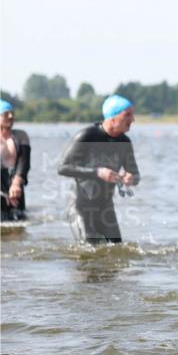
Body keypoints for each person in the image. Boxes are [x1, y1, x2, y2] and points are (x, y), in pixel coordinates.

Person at [58, 95, 141, 244]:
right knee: (89, 250)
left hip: (106, 209)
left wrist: (131, 177)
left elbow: (135, 174)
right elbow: (63, 168)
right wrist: (97, 172)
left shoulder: (125, 142)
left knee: (117, 253)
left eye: (132, 115)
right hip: (80, 207)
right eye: (127, 115)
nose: (133, 120)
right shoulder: (87, 135)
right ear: (113, 118)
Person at [1, 100, 31, 222]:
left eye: (12, 113)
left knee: (19, 222)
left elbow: (24, 162)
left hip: (15, 182)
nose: (11, 116)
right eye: (6, 114)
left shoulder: (21, 136)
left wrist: (17, 183)